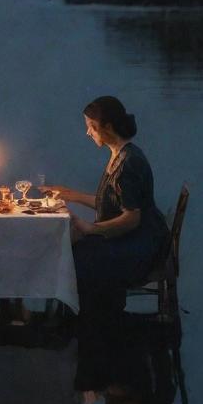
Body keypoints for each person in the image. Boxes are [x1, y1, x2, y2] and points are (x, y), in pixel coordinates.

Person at [43, 96, 169, 315]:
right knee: (72, 249)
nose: (88, 133)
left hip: (139, 247)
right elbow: (111, 203)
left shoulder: (128, 163)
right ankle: (83, 318)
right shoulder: (120, 154)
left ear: (108, 127)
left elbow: (131, 218)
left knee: (74, 259)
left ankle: (94, 321)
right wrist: (71, 195)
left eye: (91, 127)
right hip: (135, 238)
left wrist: (91, 228)